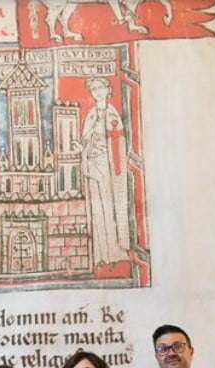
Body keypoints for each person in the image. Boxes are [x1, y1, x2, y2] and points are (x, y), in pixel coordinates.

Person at [78, 76, 130, 267]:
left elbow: (117, 139)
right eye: (94, 88)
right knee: (97, 209)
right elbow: (86, 140)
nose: (97, 91)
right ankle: (100, 253)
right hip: (93, 165)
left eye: (101, 87)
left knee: (110, 208)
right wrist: (81, 147)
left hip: (108, 165)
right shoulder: (91, 114)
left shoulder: (113, 113)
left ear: (108, 90)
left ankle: (113, 252)